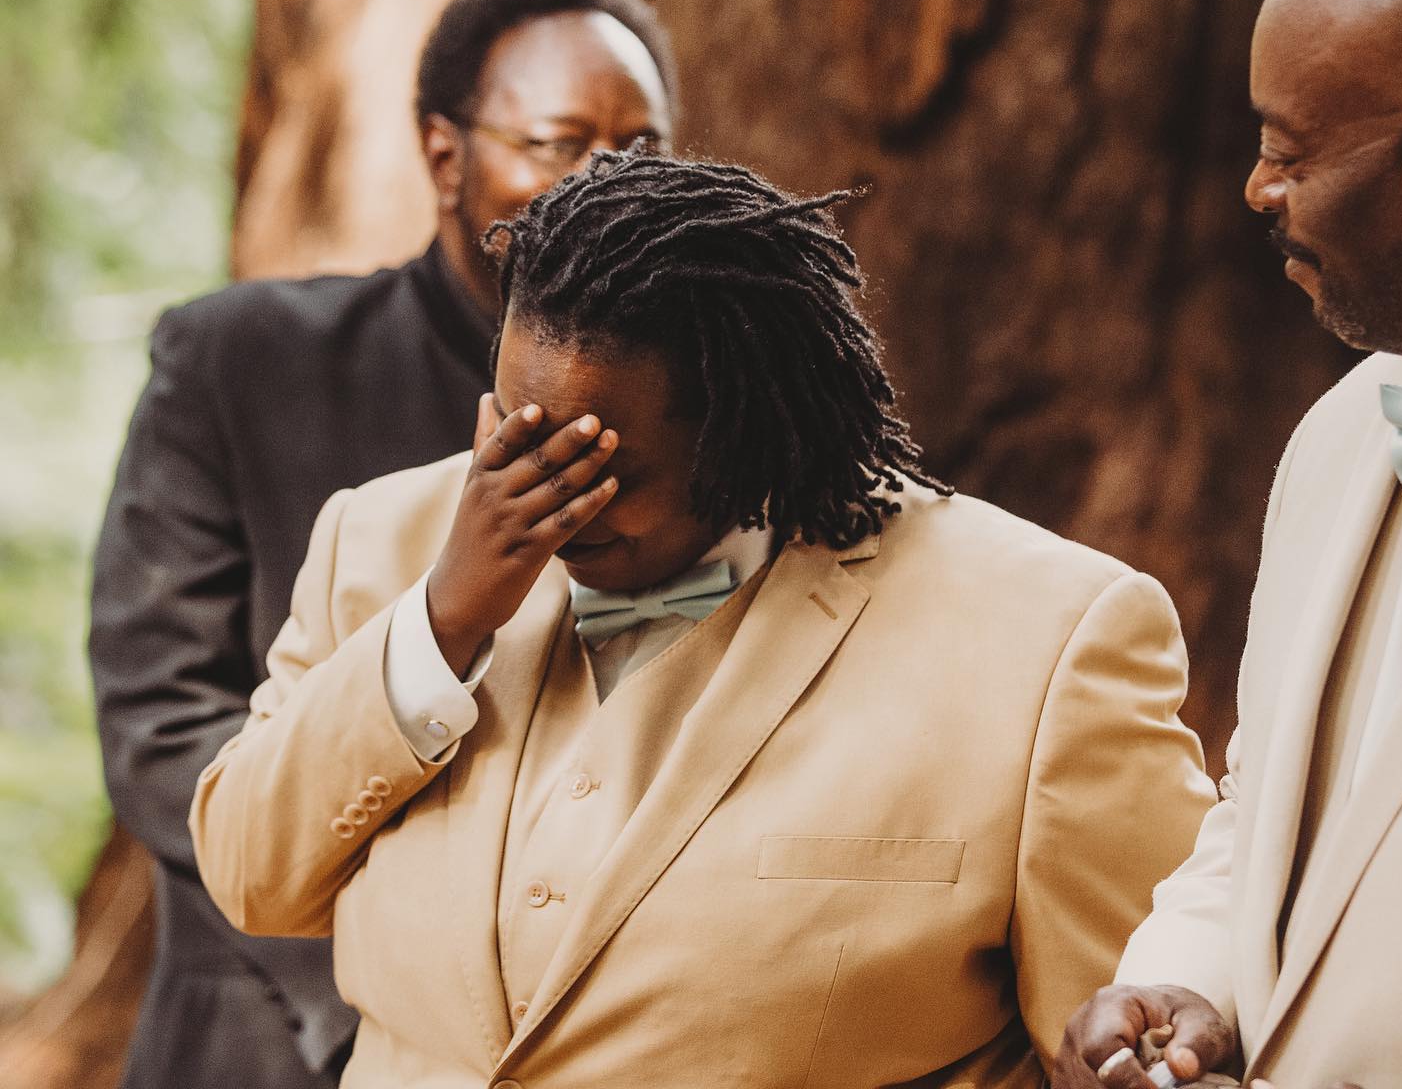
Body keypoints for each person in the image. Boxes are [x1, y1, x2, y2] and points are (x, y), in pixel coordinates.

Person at [190, 151, 1214, 1089]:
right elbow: (249, 877)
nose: (548, 503)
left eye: (603, 471)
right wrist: (440, 623)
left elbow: (1137, 1034)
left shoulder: (1048, 639)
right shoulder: (378, 541)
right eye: (514, 434)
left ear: (752, 438)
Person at [89, 0, 678, 1089]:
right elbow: (164, 726)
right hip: (271, 1017)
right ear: (445, 155)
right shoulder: (244, 360)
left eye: (642, 149)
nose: (605, 183)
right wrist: (382, 974)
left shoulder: (698, 420)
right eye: (557, 143)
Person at [1054, 0, 1402, 1089]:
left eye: (1289, 150)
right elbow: (1263, 807)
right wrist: (1187, 982)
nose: (1256, 191)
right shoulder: (1339, 439)